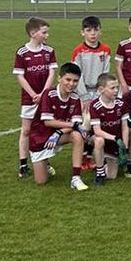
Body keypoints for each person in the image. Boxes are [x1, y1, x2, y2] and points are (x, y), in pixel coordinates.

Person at [26, 62, 88, 190]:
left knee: (77, 136)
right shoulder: (48, 94)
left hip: (58, 135)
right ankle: (45, 162)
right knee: (41, 181)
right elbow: (48, 122)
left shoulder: (75, 98)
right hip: (40, 137)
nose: (71, 84)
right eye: (68, 79)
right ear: (60, 78)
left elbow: (75, 126)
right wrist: (72, 125)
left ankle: (76, 178)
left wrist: (59, 132)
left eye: (75, 81)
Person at [89, 74, 126, 186]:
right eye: (112, 88)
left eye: (117, 87)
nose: (116, 90)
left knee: (112, 176)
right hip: (103, 138)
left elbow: (125, 127)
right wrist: (115, 138)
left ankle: (109, 162)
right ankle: (100, 172)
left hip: (114, 143)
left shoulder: (121, 104)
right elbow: (97, 131)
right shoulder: (95, 105)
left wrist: (124, 145)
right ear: (101, 90)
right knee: (99, 140)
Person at [71, 15, 111, 113]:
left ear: (100, 31)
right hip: (82, 92)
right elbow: (77, 74)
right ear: (82, 32)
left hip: (100, 92)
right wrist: (84, 96)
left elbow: (105, 73)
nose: (93, 33)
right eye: (88, 30)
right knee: (84, 120)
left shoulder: (106, 50)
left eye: (96, 30)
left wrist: (99, 93)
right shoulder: (78, 51)